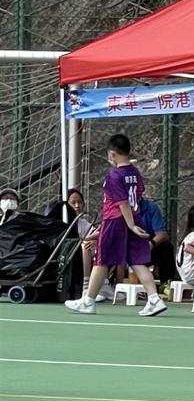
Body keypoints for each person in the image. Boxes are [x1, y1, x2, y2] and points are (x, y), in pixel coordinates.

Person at [64, 133, 167, 316]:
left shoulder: (114, 175)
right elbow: (137, 196)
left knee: (102, 260)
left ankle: (88, 301)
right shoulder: (134, 173)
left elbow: (122, 203)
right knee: (137, 261)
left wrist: (130, 225)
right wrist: (133, 223)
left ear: (112, 154)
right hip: (134, 218)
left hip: (116, 221)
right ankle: (154, 299)